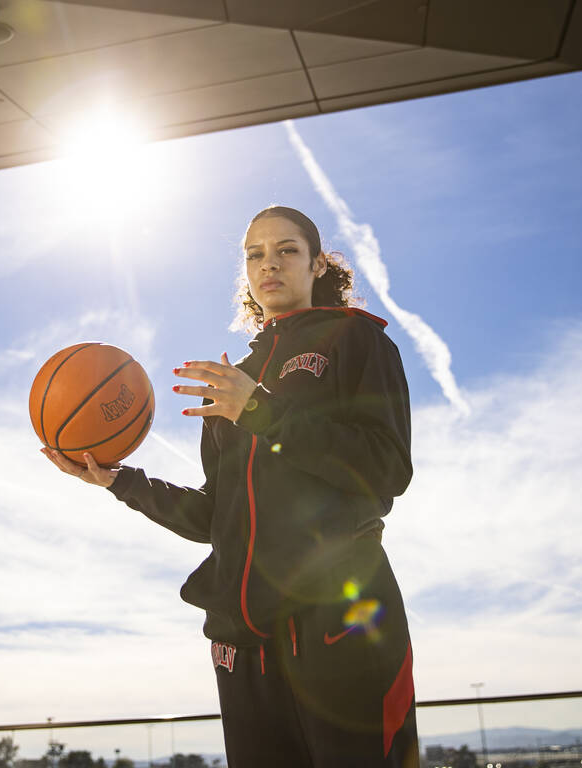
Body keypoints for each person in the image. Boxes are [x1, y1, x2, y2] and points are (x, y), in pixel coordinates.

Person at [43, 205, 419, 767]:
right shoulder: (233, 381)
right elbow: (215, 519)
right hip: (243, 641)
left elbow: (386, 469)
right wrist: (120, 481)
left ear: (318, 265)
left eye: (287, 250)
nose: (269, 264)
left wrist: (261, 411)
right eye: (254, 254)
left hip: (340, 623)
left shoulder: (354, 343)